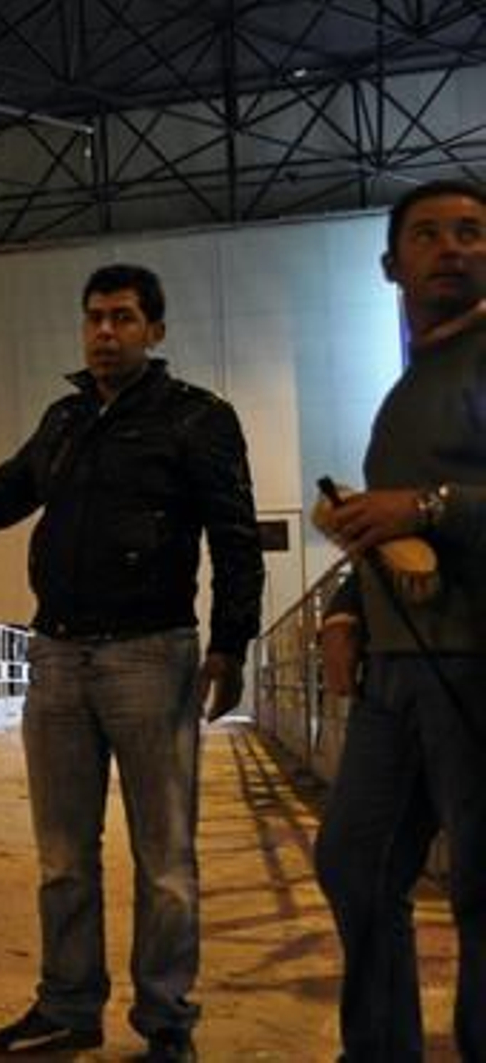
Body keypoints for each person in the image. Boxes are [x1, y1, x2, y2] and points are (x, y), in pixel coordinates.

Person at [0, 264, 264, 1062]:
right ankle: (68, 1006)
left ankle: (167, 1018)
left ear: (156, 331)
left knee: (165, 857)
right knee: (64, 853)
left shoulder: (198, 419)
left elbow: (235, 537)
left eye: (124, 318)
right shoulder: (65, 420)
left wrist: (229, 645)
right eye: (95, 318)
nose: (105, 332)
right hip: (59, 654)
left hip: (152, 652)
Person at [313, 179, 486, 1063]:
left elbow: (424, 509)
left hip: (474, 664)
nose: (451, 248)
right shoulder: (409, 384)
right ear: (393, 265)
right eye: (427, 235)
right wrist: (347, 608)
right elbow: (393, 525)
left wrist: (432, 505)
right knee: (355, 862)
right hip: (397, 670)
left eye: (470, 233)